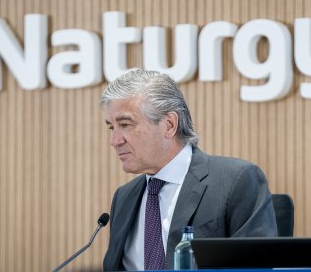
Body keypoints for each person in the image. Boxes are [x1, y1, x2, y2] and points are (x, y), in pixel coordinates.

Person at [100, 69, 277, 271]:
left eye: (125, 124)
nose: (114, 141)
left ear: (169, 125)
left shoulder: (236, 181)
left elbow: (254, 267)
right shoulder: (124, 197)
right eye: (111, 128)